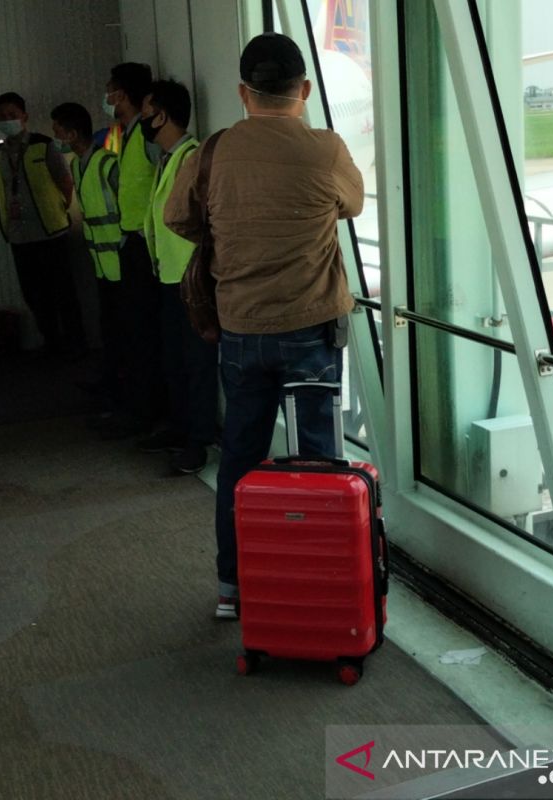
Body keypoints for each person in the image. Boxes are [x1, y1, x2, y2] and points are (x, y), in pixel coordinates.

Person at [165, 33, 364, 620]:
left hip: (241, 331)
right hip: (311, 329)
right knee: (320, 462)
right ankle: (322, 589)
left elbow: (179, 216)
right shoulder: (325, 149)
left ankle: (233, 588)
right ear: (303, 91)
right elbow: (351, 206)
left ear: (243, 93)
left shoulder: (217, 149)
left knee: (240, 461)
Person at [138, 80, 217, 475]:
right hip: (169, 276)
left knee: (197, 363)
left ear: (162, 115)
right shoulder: (168, 158)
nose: (142, 120)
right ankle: (181, 427)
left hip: (190, 280)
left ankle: (199, 440)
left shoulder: (192, 156)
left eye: (146, 111)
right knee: (175, 360)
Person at [0, 91, 86, 358]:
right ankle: (52, 344)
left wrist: (56, 210)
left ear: (25, 117)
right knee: (34, 295)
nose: (7, 120)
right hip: (20, 237)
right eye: (1, 116)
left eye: (12, 115)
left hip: (51, 233)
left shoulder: (44, 146)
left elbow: (66, 185)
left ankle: (76, 346)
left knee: (63, 293)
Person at [99, 62, 163, 440]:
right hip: (131, 243)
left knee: (145, 336)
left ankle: (148, 414)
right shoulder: (125, 133)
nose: (107, 99)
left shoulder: (146, 136)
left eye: (110, 92)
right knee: (134, 334)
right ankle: (139, 409)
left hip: (145, 247)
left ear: (121, 94)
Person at [51, 101, 125, 409]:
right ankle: (110, 385)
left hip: (121, 263)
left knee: (123, 334)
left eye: (58, 131)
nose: (56, 137)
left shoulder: (107, 163)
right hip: (102, 264)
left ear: (71, 133)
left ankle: (122, 393)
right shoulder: (78, 165)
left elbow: (126, 212)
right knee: (109, 330)